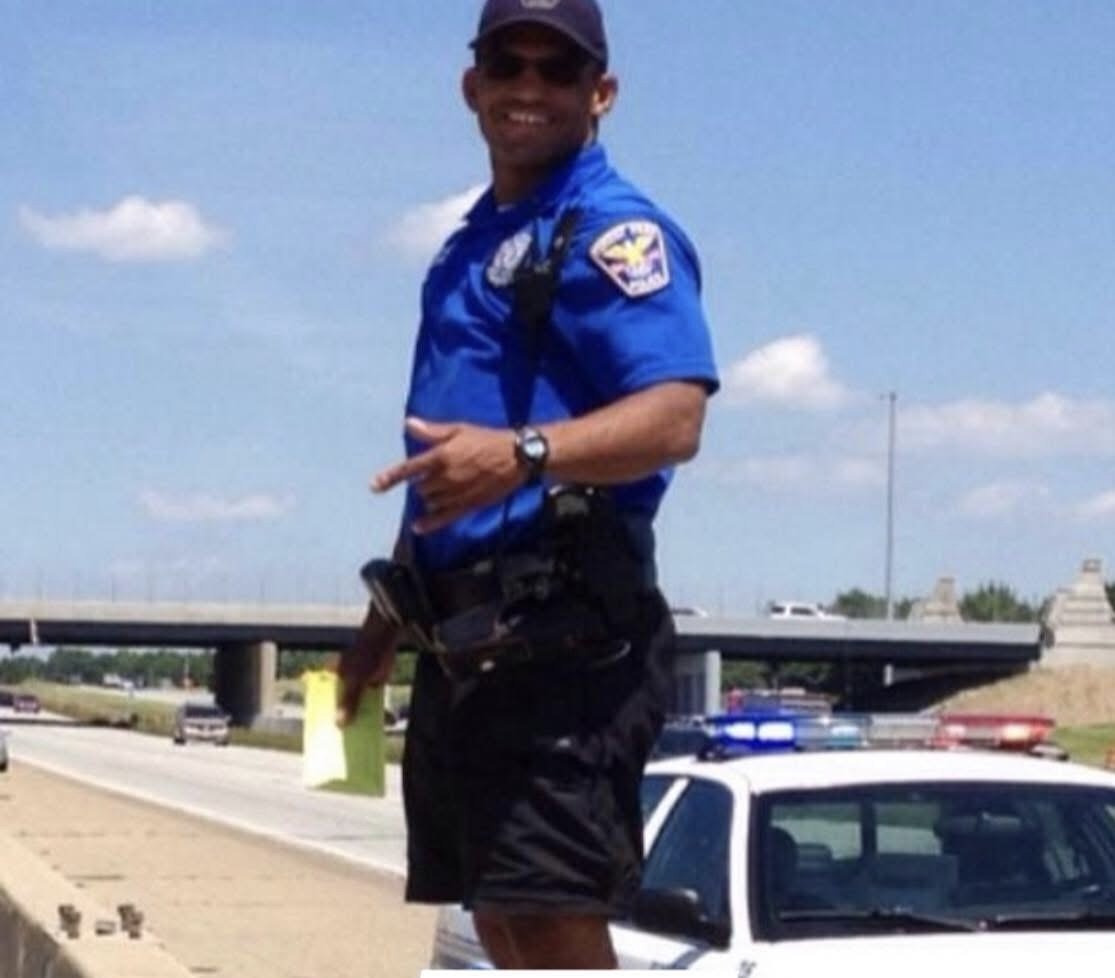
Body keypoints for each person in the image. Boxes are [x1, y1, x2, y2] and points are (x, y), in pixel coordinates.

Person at [337, 0, 718, 968]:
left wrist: (523, 453)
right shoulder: (468, 243)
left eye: (558, 70)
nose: (528, 89)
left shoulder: (610, 231)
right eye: (508, 63)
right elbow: (442, 466)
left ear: (601, 94)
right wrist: (386, 620)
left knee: (550, 924)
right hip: (465, 639)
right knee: (500, 919)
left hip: (563, 636)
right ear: (472, 85)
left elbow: (676, 415)